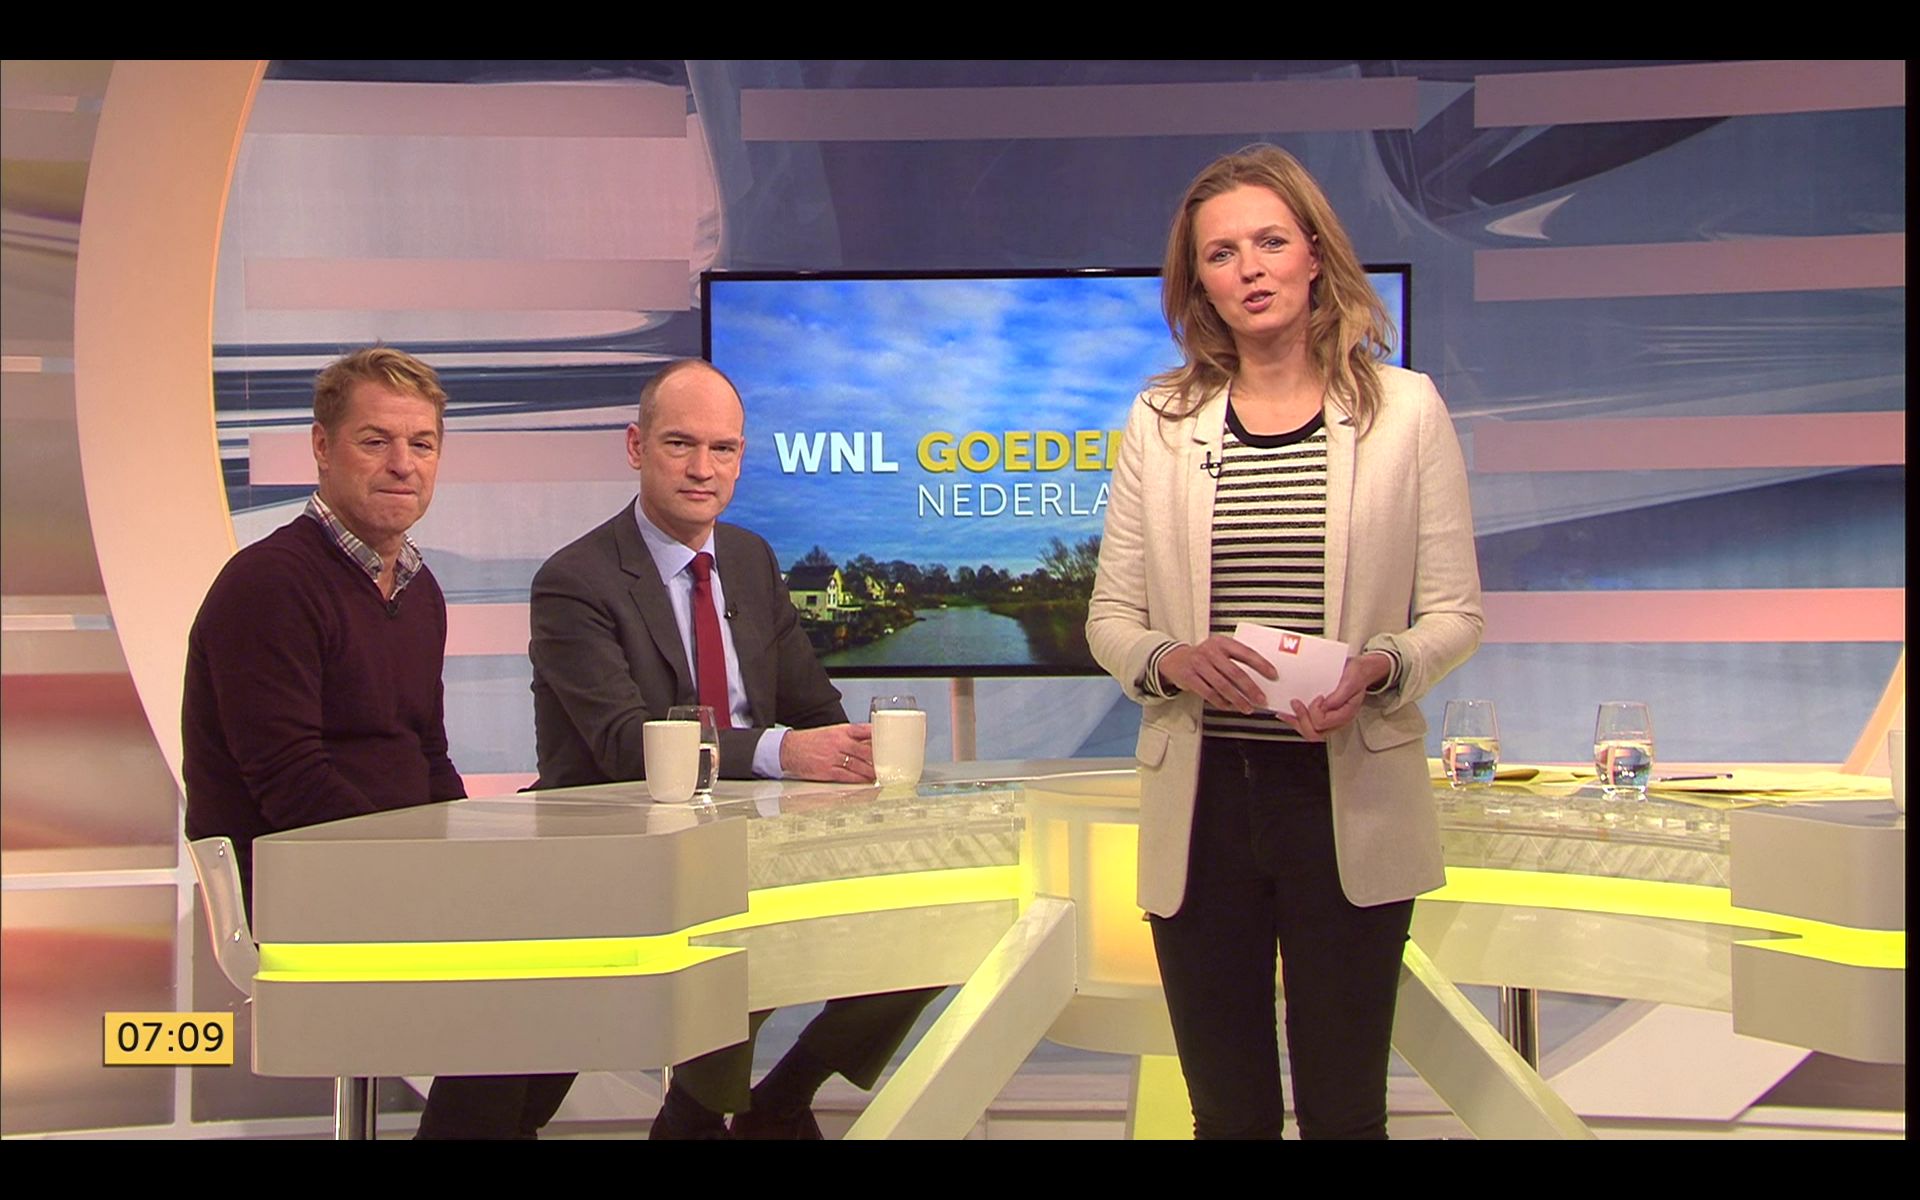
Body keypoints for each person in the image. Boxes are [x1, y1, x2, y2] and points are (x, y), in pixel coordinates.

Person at [1086, 145, 1483, 1140]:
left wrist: (1380, 668)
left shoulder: (1406, 411)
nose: (1251, 269)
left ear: (1314, 253)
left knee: (1346, 1115)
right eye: (1221, 254)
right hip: (1204, 807)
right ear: (1198, 284)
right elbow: (1112, 619)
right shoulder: (1161, 421)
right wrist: (1172, 660)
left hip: (1347, 801)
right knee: (1227, 1116)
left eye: (1269, 242)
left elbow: (1455, 612)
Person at [528, 358, 939, 1139]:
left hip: (761, 841)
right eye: (680, 444)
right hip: (633, 852)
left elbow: (815, 709)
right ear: (636, 447)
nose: (702, 469)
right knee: (738, 911)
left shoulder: (750, 559)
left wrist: (849, 752)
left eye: (722, 449)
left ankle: (780, 1096)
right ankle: (697, 1112)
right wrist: (787, 753)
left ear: (741, 457)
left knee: (934, 906)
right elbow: (624, 747)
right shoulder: (576, 580)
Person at [182, 345, 553, 1138]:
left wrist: (471, 857)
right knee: (520, 976)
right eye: (375, 441)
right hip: (294, 881)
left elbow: (428, 755)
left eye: (422, 444)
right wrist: (422, 876)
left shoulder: (418, 588)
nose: (402, 465)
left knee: (577, 952)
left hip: (390, 870)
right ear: (322, 447)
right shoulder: (270, 584)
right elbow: (290, 781)